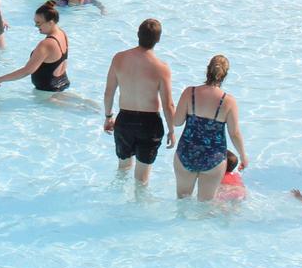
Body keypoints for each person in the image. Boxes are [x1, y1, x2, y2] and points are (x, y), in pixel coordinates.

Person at [104, 18, 175, 186]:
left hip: (124, 120)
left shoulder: (119, 58)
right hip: (149, 125)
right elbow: (168, 105)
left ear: (138, 34)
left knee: (123, 169)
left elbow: (109, 92)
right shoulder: (161, 68)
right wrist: (171, 130)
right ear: (158, 39)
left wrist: (108, 117)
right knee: (141, 179)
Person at [173, 55, 247, 201]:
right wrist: (243, 156)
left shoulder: (189, 93)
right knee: (205, 206)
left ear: (207, 70)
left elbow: (177, 122)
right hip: (213, 159)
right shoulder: (228, 101)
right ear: (225, 75)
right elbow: (234, 133)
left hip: (186, 153)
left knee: (182, 201)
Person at [0, 1, 70, 92]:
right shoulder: (62, 33)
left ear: (51, 23)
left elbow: (27, 71)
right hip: (63, 82)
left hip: (47, 91)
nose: (36, 26)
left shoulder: (47, 44)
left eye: (38, 23)